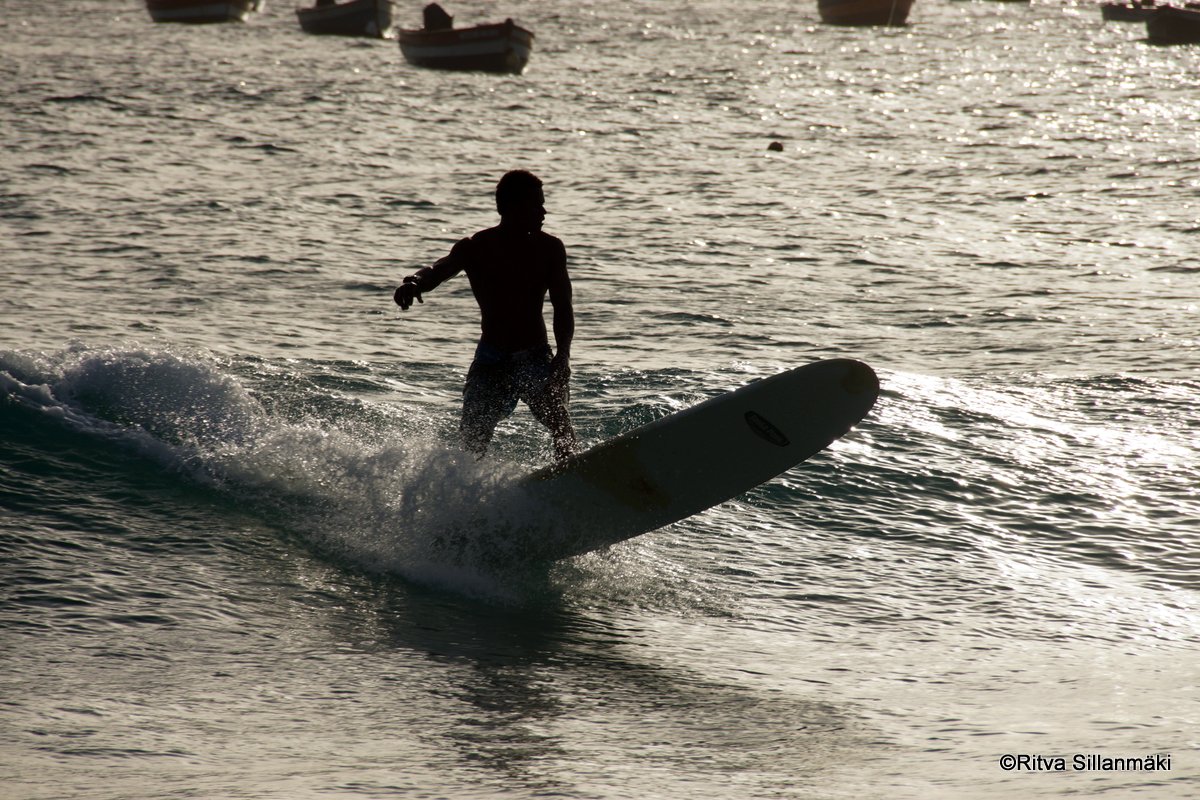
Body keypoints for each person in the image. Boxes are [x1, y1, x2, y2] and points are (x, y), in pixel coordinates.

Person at [394, 170, 577, 463]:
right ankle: (467, 487)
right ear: (513, 207)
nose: (543, 212)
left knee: (559, 423)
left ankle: (572, 469)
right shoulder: (477, 246)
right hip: (491, 359)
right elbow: (439, 269)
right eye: (536, 205)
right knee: (472, 441)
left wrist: (563, 356)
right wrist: (414, 282)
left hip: (534, 356)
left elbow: (563, 306)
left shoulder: (549, 249)